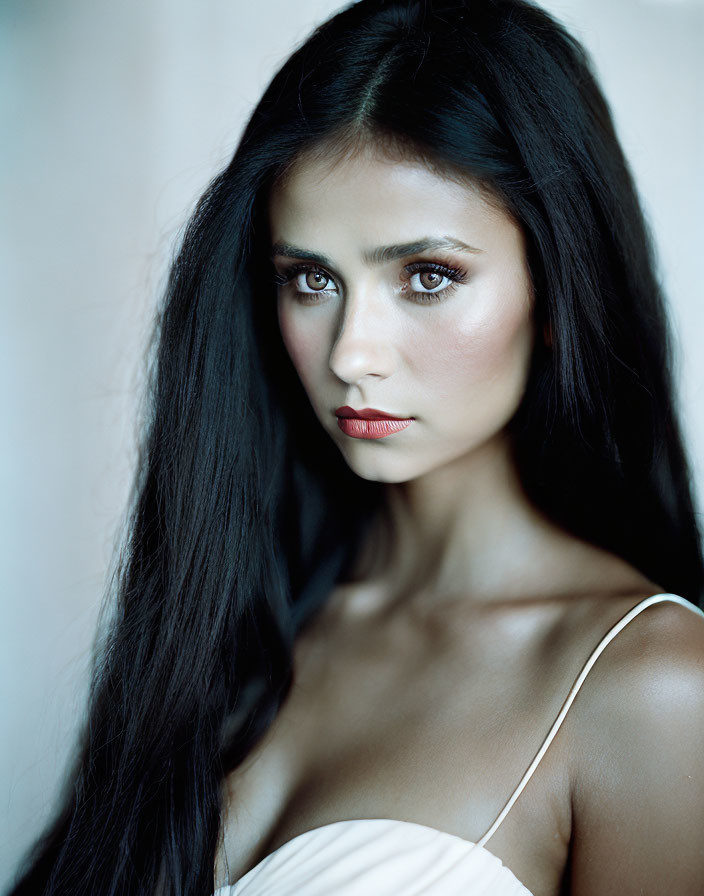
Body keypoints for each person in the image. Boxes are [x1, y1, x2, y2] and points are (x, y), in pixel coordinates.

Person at [9, 0, 704, 894]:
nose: (350, 354)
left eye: (428, 275)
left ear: (563, 287)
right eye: (311, 278)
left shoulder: (652, 687)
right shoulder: (234, 618)